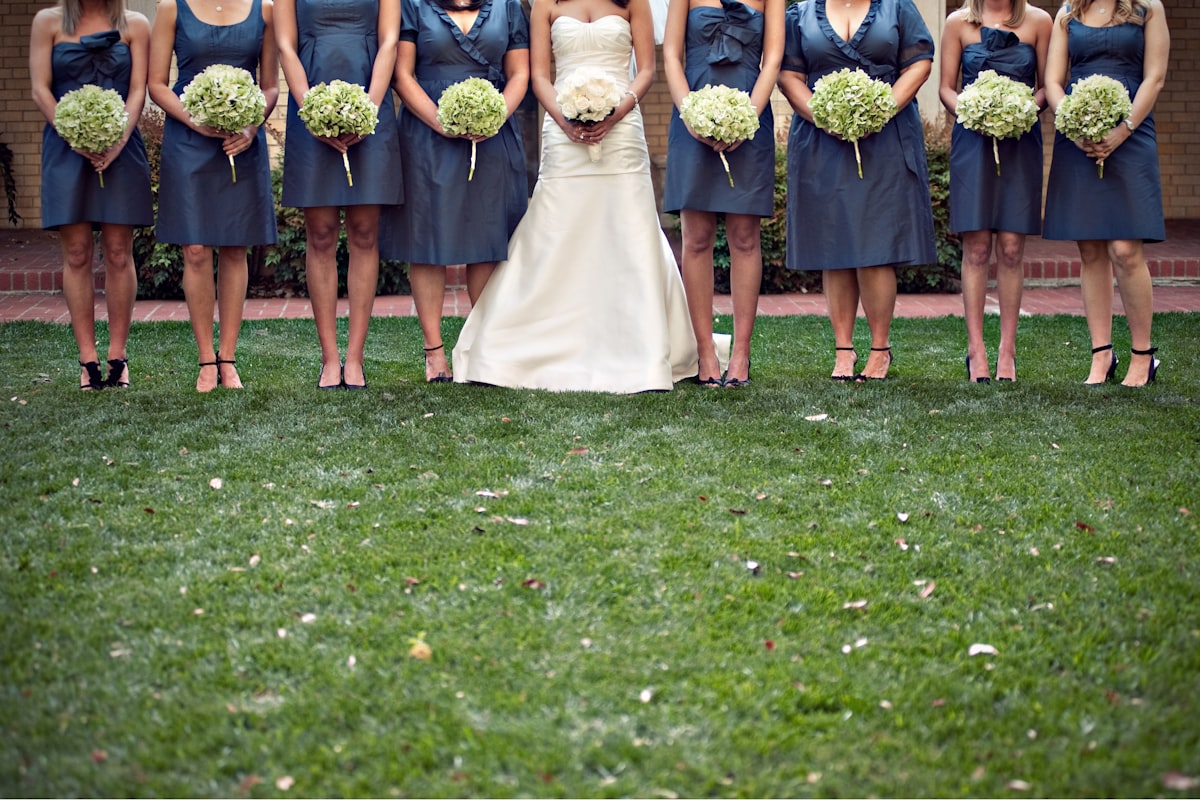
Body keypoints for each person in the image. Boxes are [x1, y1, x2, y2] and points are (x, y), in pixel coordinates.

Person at [451, 0, 698, 393]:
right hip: (562, 130)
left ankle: (640, 345)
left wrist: (616, 112)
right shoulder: (545, 4)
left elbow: (647, 71)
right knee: (557, 227)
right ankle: (527, 339)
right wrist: (564, 120)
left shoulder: (632, 2)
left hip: (622, 133)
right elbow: (539, 76)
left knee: (627, 229)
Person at [777, 0, 935, 381]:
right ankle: (843, 350)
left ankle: (880, 349)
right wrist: (825, 116)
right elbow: (789, 75)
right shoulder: (801, 14)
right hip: (822, 141)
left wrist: (881, 109)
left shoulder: (897, 7)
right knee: (834, 247)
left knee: (877, 245)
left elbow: (919, 63)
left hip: (885, 137)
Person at [379, 0, 530, 383]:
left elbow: (519, 73)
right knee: (429, 241)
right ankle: (434, 353)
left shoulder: (508, 6)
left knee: (487, 238)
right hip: (427, 134)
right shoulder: (414, 5)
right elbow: (402, 75)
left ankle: (481, 347)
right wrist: (442, 122)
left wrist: (494, 116)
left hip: (492, 135)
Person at [149, 0, 280, 392]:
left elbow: (270, 86)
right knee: (195, 250)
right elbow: (157, 84)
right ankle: (206, 358)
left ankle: (228, 357)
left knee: (235, 248)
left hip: (241, 141)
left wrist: (252, 128)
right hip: (188, 140)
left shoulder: (265, 10)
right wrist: (195, 120)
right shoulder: (171, 8)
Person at [275, 0, 402, 389]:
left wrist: (369, 111)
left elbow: (390, 40)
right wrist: (311, 112)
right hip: (310, 105)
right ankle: (329, 358)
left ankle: (355, 358)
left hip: (370, 104)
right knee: (321, 233)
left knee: (364, 232)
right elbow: (285, 45)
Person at [1042, 0, 1168, 387]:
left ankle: (1142, 356)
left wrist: (1123, 129)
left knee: (1126, 249)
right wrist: (1074, 126)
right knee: (1091, 248)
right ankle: (1101, 355)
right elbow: (1053, 82)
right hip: (1077, 137)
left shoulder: (1149, 7)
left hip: (1133, 131)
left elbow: (1155, 78)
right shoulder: (1067, 12)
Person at [30, 0, 152, 390]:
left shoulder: (136, 24)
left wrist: (116, 142)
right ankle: (88, 360)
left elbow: (138, 91)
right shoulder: (47, 22)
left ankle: (118, 356)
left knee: (118, 252)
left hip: (122, 148)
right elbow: (40, 90)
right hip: (66, 148)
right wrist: (75, 135)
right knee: (78, 253)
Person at [662, 0, 784, 388]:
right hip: (691, 118)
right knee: (696, 237)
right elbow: (671, 55)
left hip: (751, 117)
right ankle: (705, 352)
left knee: (745, 238)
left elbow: (773, 58)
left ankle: (742, 353)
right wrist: (690, 115)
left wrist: (748, 117)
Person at [940, 0, 1051, 384]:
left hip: (1020, 140)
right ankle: (976, 350)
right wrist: (973, 112)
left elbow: (1046, 88)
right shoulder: (957, 22)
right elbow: (946, 89)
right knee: (976, 246)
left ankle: (1007, 350)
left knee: (1011, 247)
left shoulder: (1039, 21)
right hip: (972, 142)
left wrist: (1021, 110)